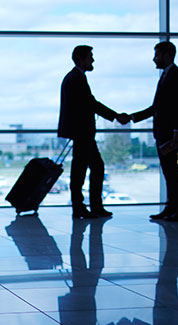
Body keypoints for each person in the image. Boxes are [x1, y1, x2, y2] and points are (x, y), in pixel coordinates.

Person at [117, 41, 178, 222]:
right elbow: (156, 108)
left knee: (172, 171)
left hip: (170, 133)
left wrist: (177, 130)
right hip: (163, 133)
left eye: (156, 55)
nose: (154, 59)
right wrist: (133, 117)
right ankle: (173, 207)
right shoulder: (165, 76)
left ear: (167, 55)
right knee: (169, 172)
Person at [58, 45, 120, 219]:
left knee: (85, 169)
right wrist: (115, 116)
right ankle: (88, 207)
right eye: (90, 57)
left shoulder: (74, 77)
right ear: (81, 59)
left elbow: (88, 103)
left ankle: (85, 207)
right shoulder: (76, 78)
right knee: (89, 169)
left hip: (80, 133)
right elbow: (90, 103)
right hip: (82, 133)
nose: (92, 60)